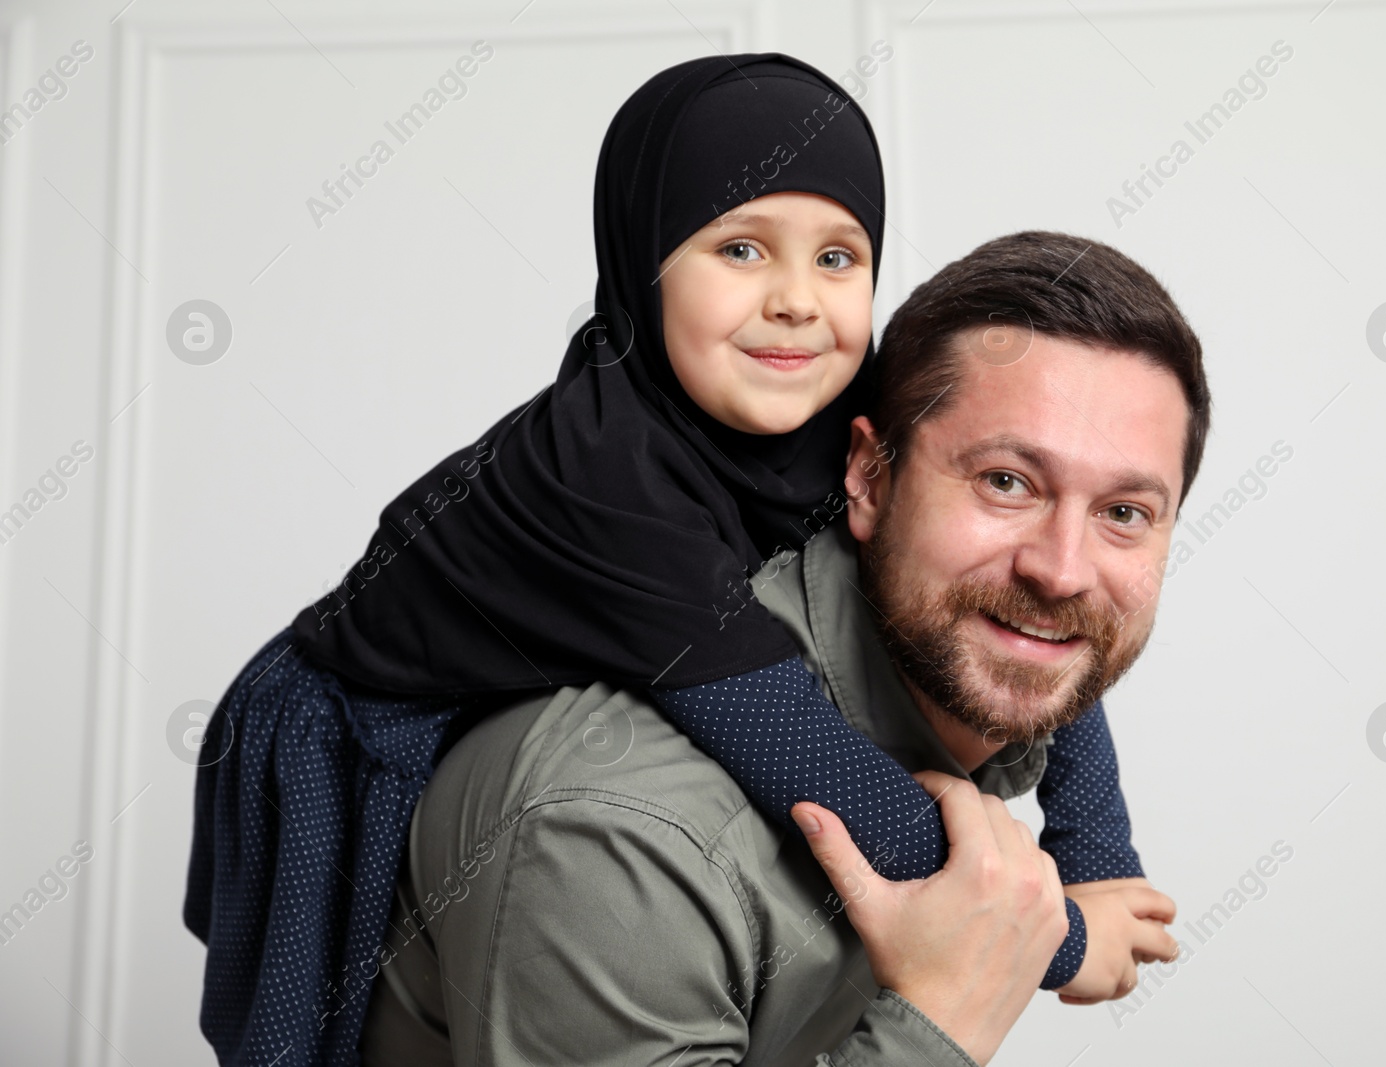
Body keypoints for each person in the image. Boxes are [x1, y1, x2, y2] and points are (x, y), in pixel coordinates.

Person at [183, 54, 1160, 1067]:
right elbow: (809, 764)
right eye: (741, 249)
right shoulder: (608, 484)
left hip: (568, 678)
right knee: (317, 1037)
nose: (796, 300)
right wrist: (1056, 935)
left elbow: (1036, 593)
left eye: (838, 258)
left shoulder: (834, 399)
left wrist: (1097, 847)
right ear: (643, 261)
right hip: (358, 725)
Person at [357, 228, 1209, 1064]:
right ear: (870, 479)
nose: (1062, 573)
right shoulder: (621, 837)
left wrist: (1094, 849)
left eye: (1124, 513)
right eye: (1005, 483)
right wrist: (942, 1021)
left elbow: (1065, 644)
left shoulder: (965, 650)